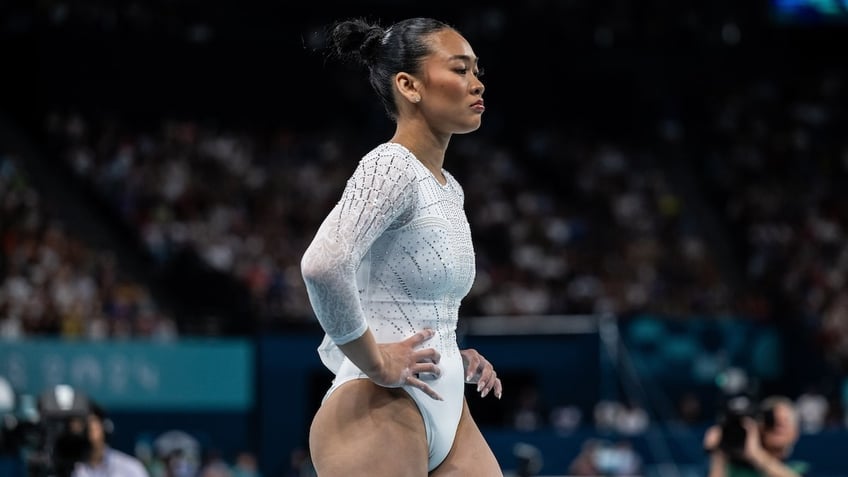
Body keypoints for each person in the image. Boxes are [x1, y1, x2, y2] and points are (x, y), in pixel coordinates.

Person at [300, 16, 504, 477]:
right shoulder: (390, 165)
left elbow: (418, 301)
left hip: (447, 402)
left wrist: (452, 351)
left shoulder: (449, 188)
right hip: (380, 402)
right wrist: (376, 360)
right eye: (460, 69)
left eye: (477, 70)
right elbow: (323, 265)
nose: (477, 83)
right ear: (409, 85)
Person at [703, 396, 809, 477]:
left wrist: (756, 454)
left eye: (785, 422)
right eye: (771, 421)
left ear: (795, 433)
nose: (777, 426)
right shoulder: (734, 470)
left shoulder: (799, 467)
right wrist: (719, 453)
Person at [71, 401, 149, 477]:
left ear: (105, 427)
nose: (84, 430)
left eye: (90, 425)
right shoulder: (68, 469)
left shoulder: (129, 468)